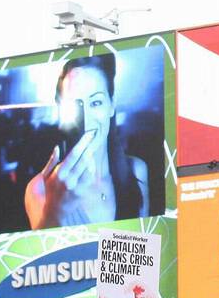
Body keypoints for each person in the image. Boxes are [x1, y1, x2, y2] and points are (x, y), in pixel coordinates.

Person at [25, 54, 148, 230]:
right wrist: (54, 213)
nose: (87, 119)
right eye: (76, 105)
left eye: (96, 102)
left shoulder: (137, 171)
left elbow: (149, 253)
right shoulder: (39, 188)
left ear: (111, 105)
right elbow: (43, 255)